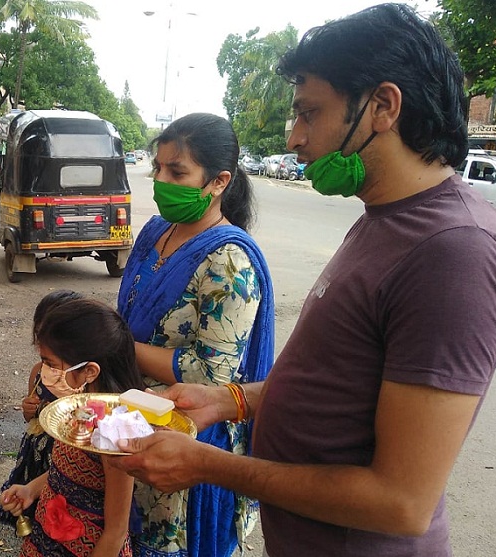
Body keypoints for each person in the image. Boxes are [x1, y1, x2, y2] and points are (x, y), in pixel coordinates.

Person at [112, 5, 496, 557]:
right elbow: (335, 387)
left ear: (383, 106)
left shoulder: (455, 251)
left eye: (310, 113)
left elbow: (401, 502)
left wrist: (213, 464)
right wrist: (230, 399)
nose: (296, 138)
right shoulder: (385, 218)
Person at [115, 112, 275, 557]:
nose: (162, 181)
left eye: (178, 172)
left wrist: (119, 346)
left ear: (219, 181)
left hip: (183, 437)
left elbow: (209, 375)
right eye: (159, 169)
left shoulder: (229, 263)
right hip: (129, 417)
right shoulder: (154, 232)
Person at [0, 297, 145, 557]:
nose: (43, 371)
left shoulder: (116, 432)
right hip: (50, 538)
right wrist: (31, 489)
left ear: (89, 371)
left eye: (51, 364)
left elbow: (115, 532)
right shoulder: (74, 406)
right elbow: (68, 466)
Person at [0, 289, 85, 525]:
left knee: (60, 515)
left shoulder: (85, 385)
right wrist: (28, 409)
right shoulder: (38, 372)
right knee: (35, 513)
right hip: (37, 457)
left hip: (64, 461)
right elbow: (30, 417)